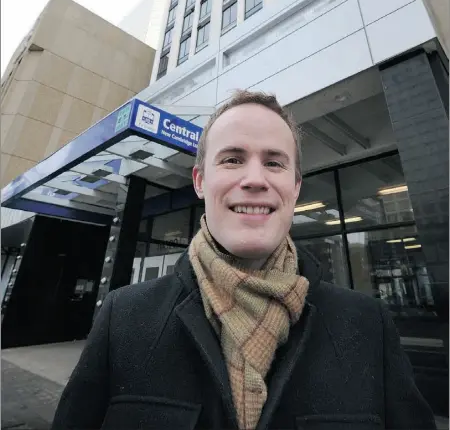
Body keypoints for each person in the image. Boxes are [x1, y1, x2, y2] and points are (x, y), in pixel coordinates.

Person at [52, 89, 436, 430]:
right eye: (233, 160)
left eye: (274, 163)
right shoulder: (124, 318)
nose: (255, 179)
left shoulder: (367, 325)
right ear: (200, 182)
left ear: (295, 187)